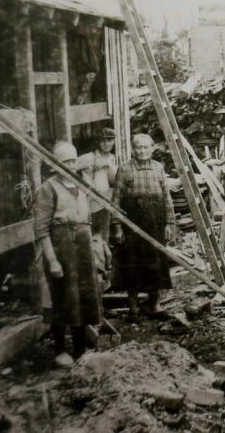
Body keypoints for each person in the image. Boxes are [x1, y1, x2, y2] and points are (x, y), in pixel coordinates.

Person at [34, 142, 102, 366]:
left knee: (83, 296)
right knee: (63, 296)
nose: (70, 166)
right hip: (61, 247)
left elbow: (88, 217)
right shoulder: (48, 188)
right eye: (65, 162)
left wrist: (92, 245)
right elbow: (41, 229)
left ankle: (81, 348)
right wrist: (52, 260)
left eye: (73, 161)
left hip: (82, 246)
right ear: (54, 164)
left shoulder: (81, 184)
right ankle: (60, 349)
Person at [111, 133, 176, 320]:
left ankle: (154, 305)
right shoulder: (124, 169)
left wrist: (169, 223)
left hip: (155, 222)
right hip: (133, 223)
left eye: (145, 147)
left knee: (155, 263)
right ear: (133, 149)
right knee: (133, 264)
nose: (142, 151)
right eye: (138, 147)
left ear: (152, 148)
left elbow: (166, 198)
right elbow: (115, 200)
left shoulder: (158, 168)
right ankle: (133, 307)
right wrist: (117, 226)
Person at [76, 127, 118, 243]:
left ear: (114, 141)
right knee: (89, 236)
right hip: (88, 201)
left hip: (104, 201)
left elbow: (113, 181)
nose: (106, 143)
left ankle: (104, 259)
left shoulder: (111, 158)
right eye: (103, 140)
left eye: (109, 140)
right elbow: (69, 167)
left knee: (104, 236)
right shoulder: (88, 157)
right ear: (98, 142)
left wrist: (108, 165)